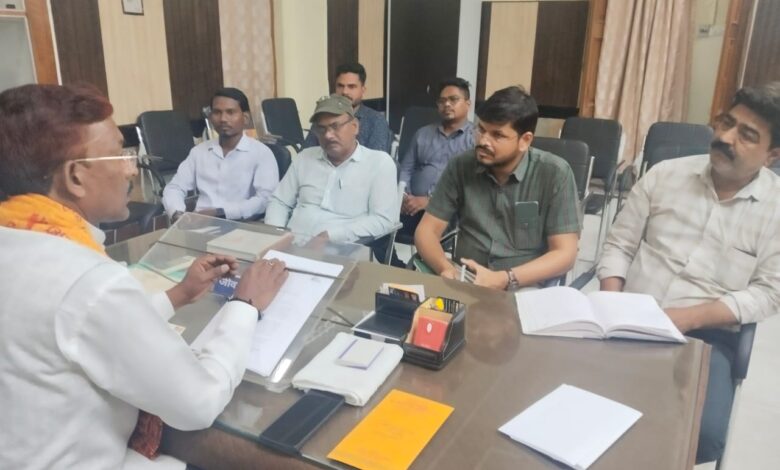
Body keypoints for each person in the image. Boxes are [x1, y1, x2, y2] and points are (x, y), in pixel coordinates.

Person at [0, 84, 305, 469]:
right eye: (121, 154)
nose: (132, 169)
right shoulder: (89, 280)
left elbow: (87, 329)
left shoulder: (21, 239)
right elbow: (199, 402)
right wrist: (246, 305)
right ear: (75, 177)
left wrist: (178, 295)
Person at [597, 82, 780, 463]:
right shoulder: (665, 175)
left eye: (747, 135)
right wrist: (612, 303)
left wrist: (687, 317)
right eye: (726, 123)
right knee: (570, 388)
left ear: (771, 156)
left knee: (702, 434)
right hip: (629, 316)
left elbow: (768, 292)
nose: (725, 138)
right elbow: (619, 245)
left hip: (706, 336)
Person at [415, 86, 580, 290]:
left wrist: (505, 278)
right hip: (466, 278)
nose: (483, 141)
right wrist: (445, 268)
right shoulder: (461, 166)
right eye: (481, 130)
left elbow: (565, 254)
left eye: (498, 135)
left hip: (522, 285)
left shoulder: (554, 173)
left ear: (525, 140)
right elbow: (426, 231)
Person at [264, 94, 397, 243]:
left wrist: (331, 236)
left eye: (335, 126)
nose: (328, 135)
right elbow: (279, 201)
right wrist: (275, 235)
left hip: (343, 248)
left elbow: (382, 220)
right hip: (290, 244)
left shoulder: (379, 163)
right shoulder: (305, 158)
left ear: (354, 126)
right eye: (321, 129)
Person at [162, 87, 278, 221]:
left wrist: (221, 213)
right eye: (217, 112)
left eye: (230, 112)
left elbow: (265, 199)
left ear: (245, 118)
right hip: (199, 224)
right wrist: (177, 214)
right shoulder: (199, 152)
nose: (223, 119)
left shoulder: (261, 153)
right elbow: (174, 187)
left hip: (242, 224)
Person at [394, 77, 474, 264]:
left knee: (430, 241)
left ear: (467, 104)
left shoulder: (475, 139)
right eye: (442, 101)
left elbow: (470, 185)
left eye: (453, 99)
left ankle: (435, 269)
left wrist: (429, 202)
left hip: (450, 213)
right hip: (411, 205)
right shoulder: (423, 133)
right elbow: (406, 168)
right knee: (381, 228)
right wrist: (404, 196)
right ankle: (396, 267)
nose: (447, 104)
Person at [302, 63, 393, 154]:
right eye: (340, 86)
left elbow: (377, 159)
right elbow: (306, 153)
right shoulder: (324, 117)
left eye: (351, 87)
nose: (345, 92)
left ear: (363, 90)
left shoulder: (376, 120)